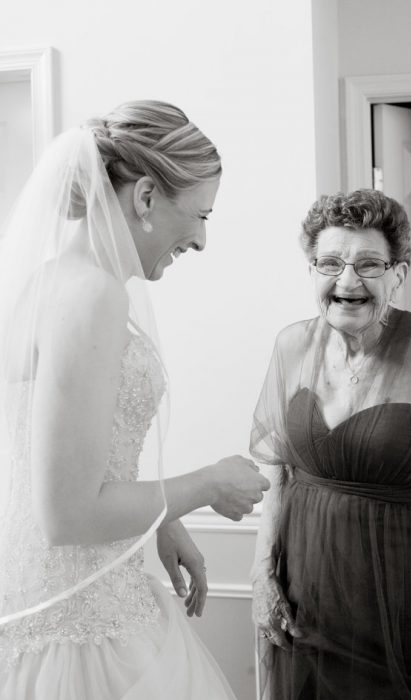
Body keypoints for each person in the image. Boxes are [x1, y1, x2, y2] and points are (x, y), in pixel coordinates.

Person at [0, 100, 269, 700]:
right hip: (79, 630)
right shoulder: (92, 295)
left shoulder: (54, 281)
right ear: (145, 196)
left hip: (88, 591)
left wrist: (160, 518)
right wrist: (207, 484)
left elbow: (78, 455)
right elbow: (65, 514)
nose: (200, 239)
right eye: (198, 215)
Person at [250, 189, 411, 699]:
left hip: (405, 604)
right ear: (312, 271)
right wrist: (262, 579)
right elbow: (279, 475)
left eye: (369, 264)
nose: (348, 282)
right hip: (305, 600)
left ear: (400, 272)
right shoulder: (291, 345)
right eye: (330, 263)